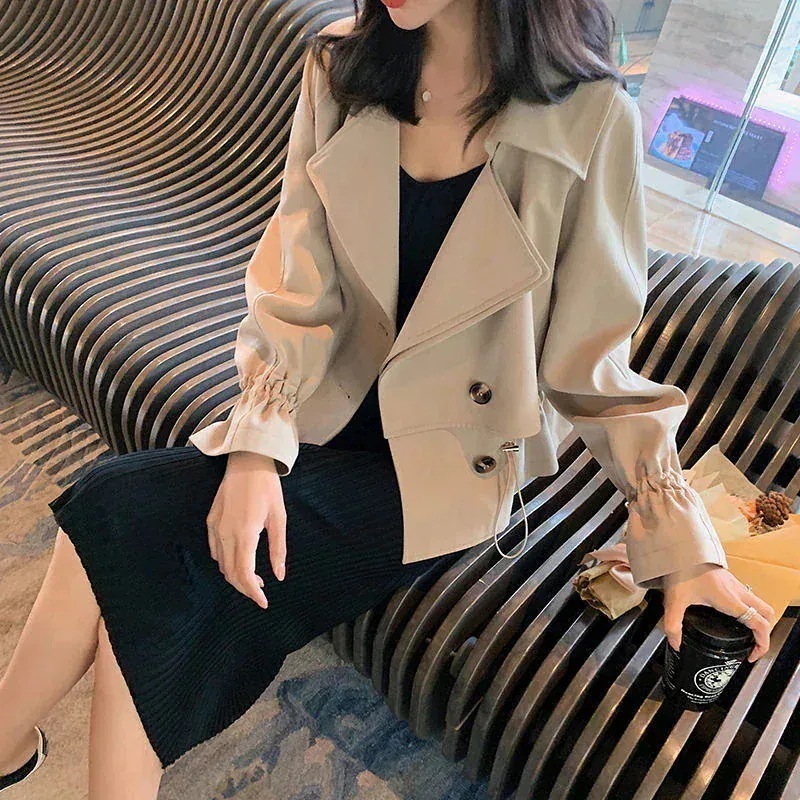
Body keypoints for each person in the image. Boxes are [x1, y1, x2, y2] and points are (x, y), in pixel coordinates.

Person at [0, 0, 776, 797]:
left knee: (140, 554)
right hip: (323, 407)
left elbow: (595, 365)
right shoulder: (343, 66)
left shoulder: (591, 117)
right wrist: (257, 444)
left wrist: (682, 543)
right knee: (128, 525)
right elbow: (297, 278)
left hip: (448, 459)